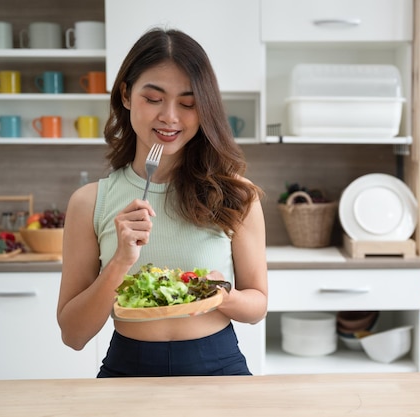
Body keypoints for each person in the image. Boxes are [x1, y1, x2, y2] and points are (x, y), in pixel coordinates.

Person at [57, 28, 268, 377]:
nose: (170, 116)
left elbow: (257, 305)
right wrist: (119, 263)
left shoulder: (235, 195)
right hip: (128, 367)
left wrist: (220, 295)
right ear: (126, 95)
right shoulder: (90, 201)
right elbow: (73, 335)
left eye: (188, 103)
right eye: (154, 99)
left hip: (218, 365)